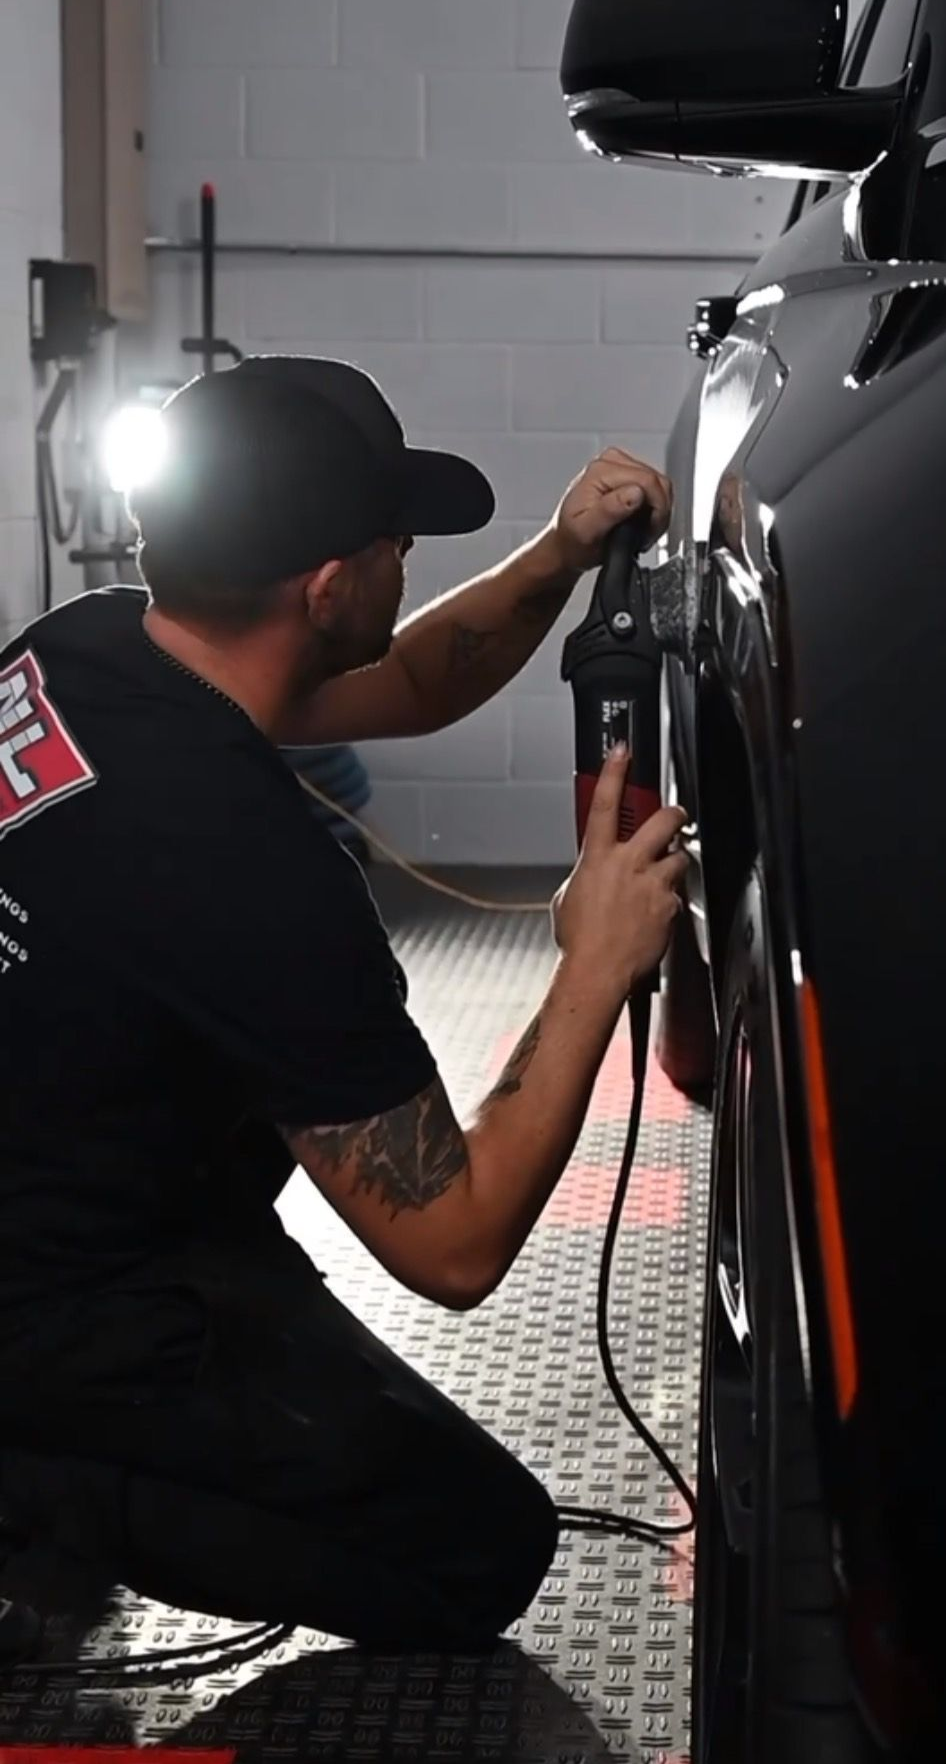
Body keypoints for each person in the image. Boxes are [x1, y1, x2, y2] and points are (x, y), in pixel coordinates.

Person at [0, 354, 686, 1651]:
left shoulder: (89, 644)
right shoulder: (246, 869)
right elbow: (454, 1244)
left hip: (81, 1188)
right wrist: (592, 963)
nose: (407, 560)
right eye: (393, 542)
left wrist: (555, 555)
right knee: (474, 1548)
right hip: (61, 1301)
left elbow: (416, 682)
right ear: (328, 586)